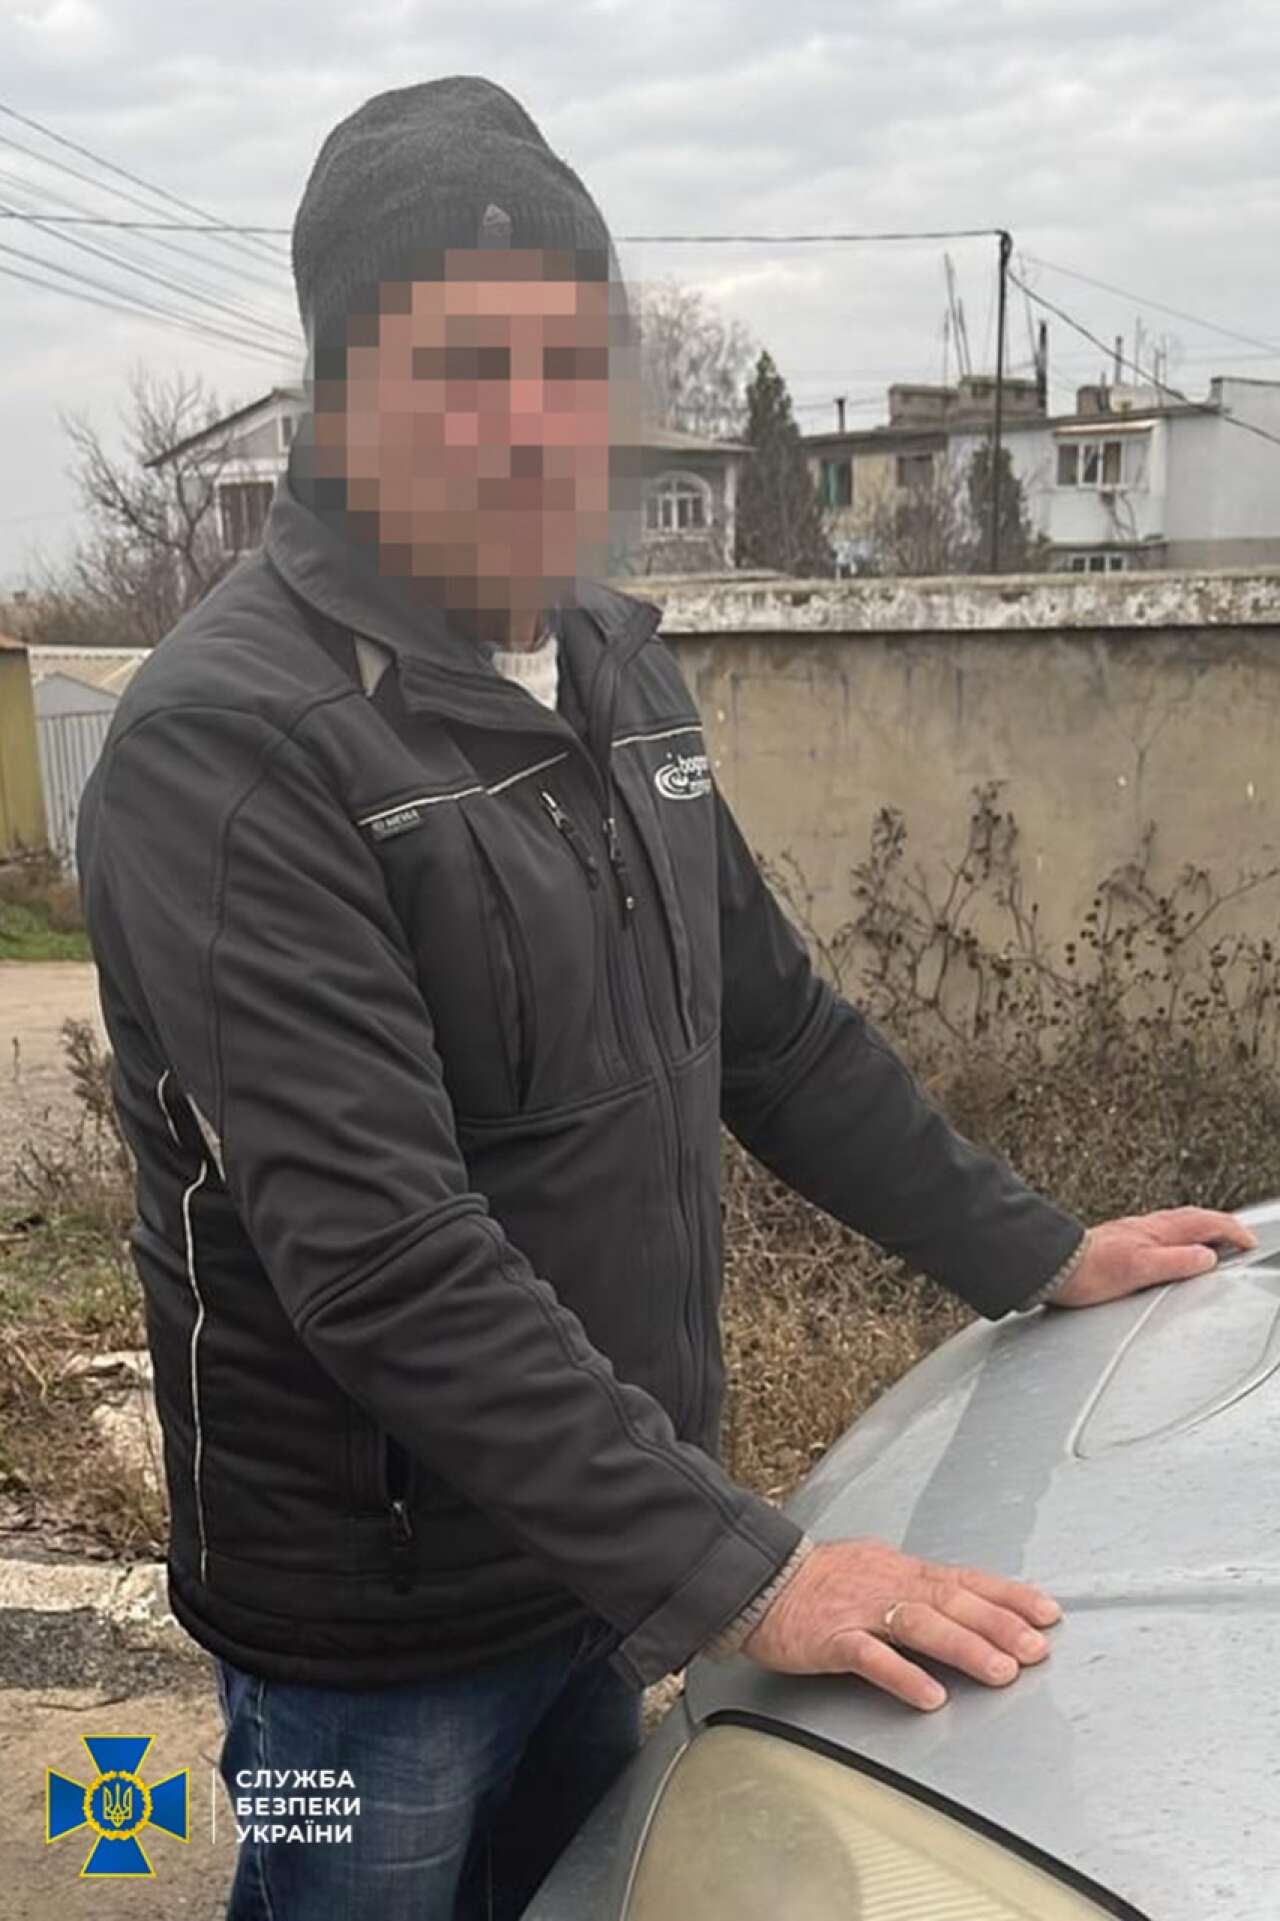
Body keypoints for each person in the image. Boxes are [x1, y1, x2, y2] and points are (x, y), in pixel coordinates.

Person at [75, 74, 1255, 1921]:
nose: (532, 427)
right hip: (376, 1634)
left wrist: (1036, 1248)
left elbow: (771, 1032)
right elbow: (381, 1252)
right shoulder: (228, 748)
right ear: (342, 393)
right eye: (466, 367)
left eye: (569, 362)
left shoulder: (612, 664)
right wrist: (749, 1572)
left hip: (601, 1554)